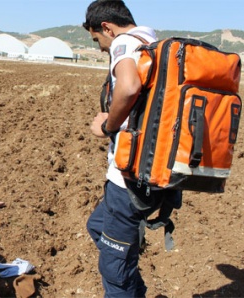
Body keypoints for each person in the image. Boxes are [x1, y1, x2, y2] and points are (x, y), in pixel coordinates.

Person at [82, 1, 183, 297]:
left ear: (106, 28)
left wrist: (107, 126)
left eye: (97, 40)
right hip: (157, 170)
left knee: (114, 271)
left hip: (128, 178)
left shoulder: (124, 43)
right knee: (97, 225)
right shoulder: (155, 43)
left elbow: (127, 88)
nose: (100, 47)